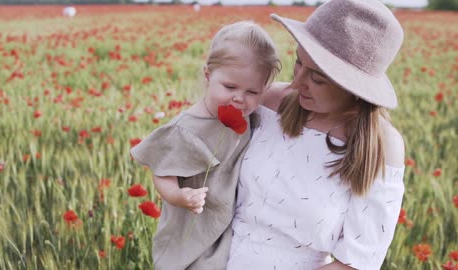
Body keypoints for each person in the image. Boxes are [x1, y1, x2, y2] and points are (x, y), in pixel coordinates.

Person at [226, 0, 406, 269]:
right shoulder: (271, 101)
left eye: (318, 79)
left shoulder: (382, 146)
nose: (296, 83)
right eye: (299, 62)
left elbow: (357, 262)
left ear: (355, 88)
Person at [130, 21, 281, 270]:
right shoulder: (186, 129)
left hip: (228, 224)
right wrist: (179, 196)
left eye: (252, 91)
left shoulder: (249, 114)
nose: (239, 98)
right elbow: (162, 174)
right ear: (208, 76)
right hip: (193, 221)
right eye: (230, 87)